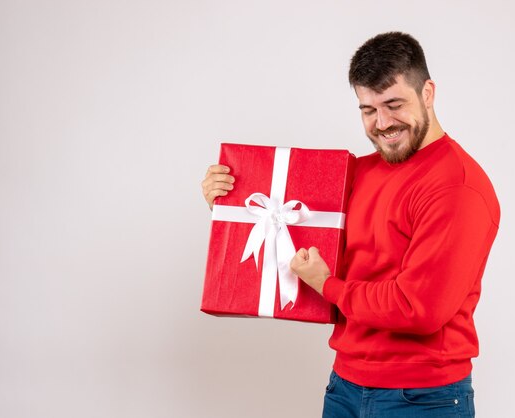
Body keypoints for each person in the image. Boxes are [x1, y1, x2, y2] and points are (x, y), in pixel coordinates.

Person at [202, 32, 499, 418]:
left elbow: (418, 308)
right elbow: (288, 228)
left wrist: (329, 285)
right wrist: (230, 203)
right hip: (344, 386)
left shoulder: (457, 188)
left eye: (394, 105)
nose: (383, 123)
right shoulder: (358, 171)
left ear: (428, 92)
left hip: (423, 398)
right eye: (368, 110)